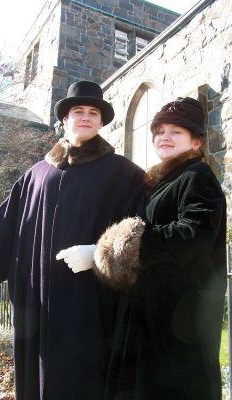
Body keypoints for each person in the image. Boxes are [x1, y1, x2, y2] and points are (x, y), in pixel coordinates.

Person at [0, 80, 146, 400]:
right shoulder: (35, 175)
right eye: (78, 111)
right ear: (64, 120)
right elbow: (10, 235)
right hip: (36, 304)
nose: (86, 117)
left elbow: (142, 230)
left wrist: (101, 252)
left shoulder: (125, 174)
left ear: (101, 121)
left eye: (93, 112)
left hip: (89, 306)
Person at [59, 97, 227, 399]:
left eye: (176, 132)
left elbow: (194, 233)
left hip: (178, 320)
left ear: (196, 143)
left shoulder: (196, 176)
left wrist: (111, 249)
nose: (164, 137)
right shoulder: (162, 181)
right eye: (159, 131)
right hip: (151, 317)